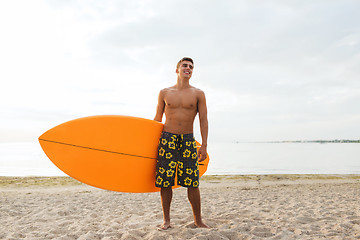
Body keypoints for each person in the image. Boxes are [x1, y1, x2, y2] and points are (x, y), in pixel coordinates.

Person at [154, 57, 209, 230]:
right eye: (184, 66)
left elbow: (203, 120)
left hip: (187, 140)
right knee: (165, 182)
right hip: (167, 138)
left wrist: (204, 145)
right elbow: (157, 119)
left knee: (192, 182)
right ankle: (166, 221)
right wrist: (148, 143)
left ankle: (198, 221)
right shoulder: (164, 92)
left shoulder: (198, 93)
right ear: (177, 70)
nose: (188, 68)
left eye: (191, 67)